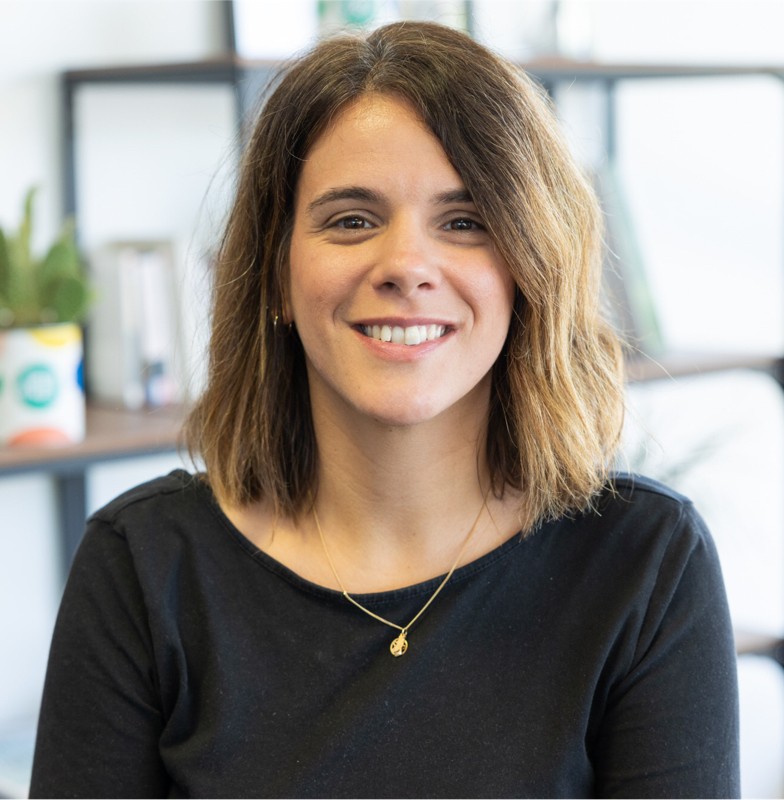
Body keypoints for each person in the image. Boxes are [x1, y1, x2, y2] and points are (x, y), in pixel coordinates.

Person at [30, 20, 739, 799]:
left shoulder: (644, 566)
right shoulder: (145, 566)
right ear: (274, 272)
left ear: (532, 267)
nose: (405, 265)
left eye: (465, 221)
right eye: (351, 219)